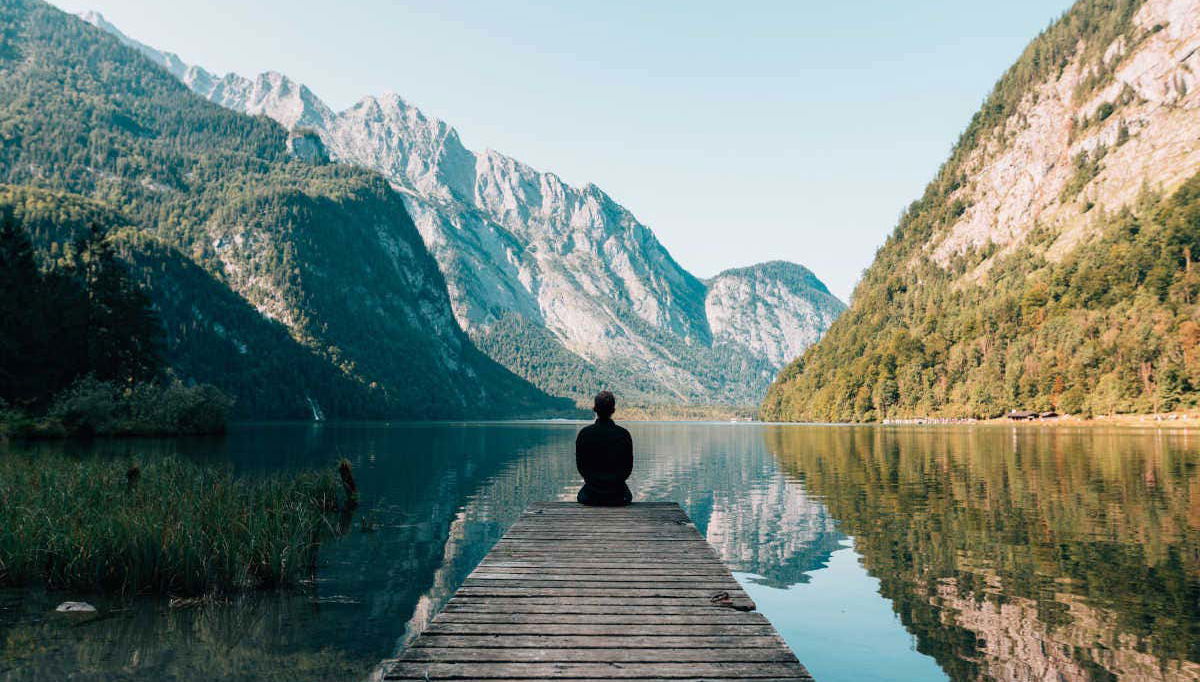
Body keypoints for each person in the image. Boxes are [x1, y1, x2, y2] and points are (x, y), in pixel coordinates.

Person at [575, 390, 633, 506]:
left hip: (591, 495)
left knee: (582, 495)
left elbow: (581, 467)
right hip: (618, 495)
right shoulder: (624, 435)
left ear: (594, 409)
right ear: (613, 410)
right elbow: (628, 468)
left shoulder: (584, 434)